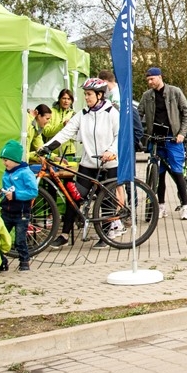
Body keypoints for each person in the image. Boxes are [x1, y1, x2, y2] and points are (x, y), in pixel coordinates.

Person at [40, 77, 120, 247]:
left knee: (105, 200)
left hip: (109, 164)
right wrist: (46, 147)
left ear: (100, 95)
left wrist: (111, 151)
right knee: (73, 198)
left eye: (89, 94)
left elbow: (120, 137)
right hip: (88, 164)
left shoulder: (111, 113)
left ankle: (105, 236)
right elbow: (66, 133)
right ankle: (65, 235)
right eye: (85, 94)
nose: (86, 97)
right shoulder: (83, 114)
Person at [138, 67, 187, 220]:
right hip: (155, 138)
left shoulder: (175, 92)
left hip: (172, 138)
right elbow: (139, 114)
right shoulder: (146, 96)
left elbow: (186, 113)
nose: (150, 82)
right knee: (159, 174)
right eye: (147, 80)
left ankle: (185, 206)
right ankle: (161, 206)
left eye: (152, 79)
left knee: (177, 171)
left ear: (160, 77)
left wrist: (181, 133)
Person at [0, 139, 38, 270]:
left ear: (14, 159)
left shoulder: (25, 173)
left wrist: (15, 195)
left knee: (20, 240)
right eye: (3, 160)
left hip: (21, 212)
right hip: (7, 211)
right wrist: (6, 195)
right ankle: (0, 261)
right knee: (0, 237)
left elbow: (33, 191)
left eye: (6, 160)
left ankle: (24, 261)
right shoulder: (7, 172)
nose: (4, 163)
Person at [45, 88, 77, 161]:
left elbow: (77, 135)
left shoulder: (74, 114)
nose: (66, 101)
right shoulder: (50, 112)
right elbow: (46, 132)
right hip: (53, 151)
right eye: (64, 98)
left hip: (69, 151)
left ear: (72, 101)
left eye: (69, 99)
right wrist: (62, 125)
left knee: (69, 172)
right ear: (59, 99)